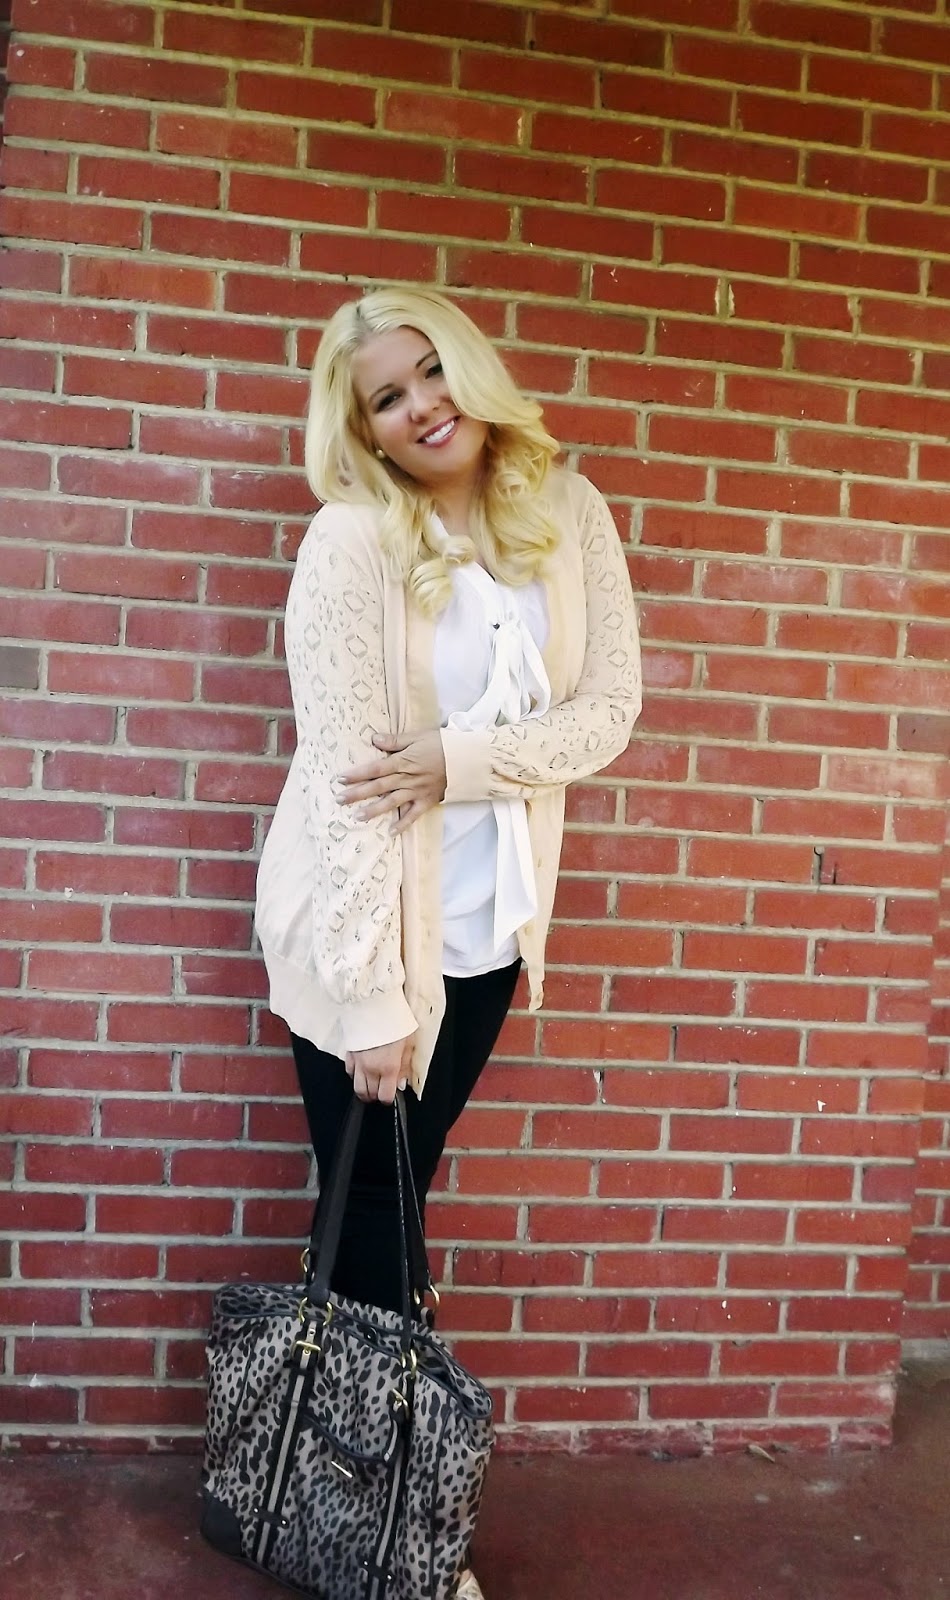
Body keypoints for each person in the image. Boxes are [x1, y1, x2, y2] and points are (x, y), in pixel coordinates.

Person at [254, 286, 642, 1600]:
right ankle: (401, 1542)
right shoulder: (351, 543)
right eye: (387, 395)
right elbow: (346, 786)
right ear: (361, 425)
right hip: (363, 936)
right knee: (376, 1208)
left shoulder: (565, 510)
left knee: (397, 1196)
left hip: (487, 935)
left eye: (430, 371)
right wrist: (371, 1002)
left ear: (468, 368)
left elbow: (608, 712)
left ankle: (350, 1506)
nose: (421, 406)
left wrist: (458, 762)